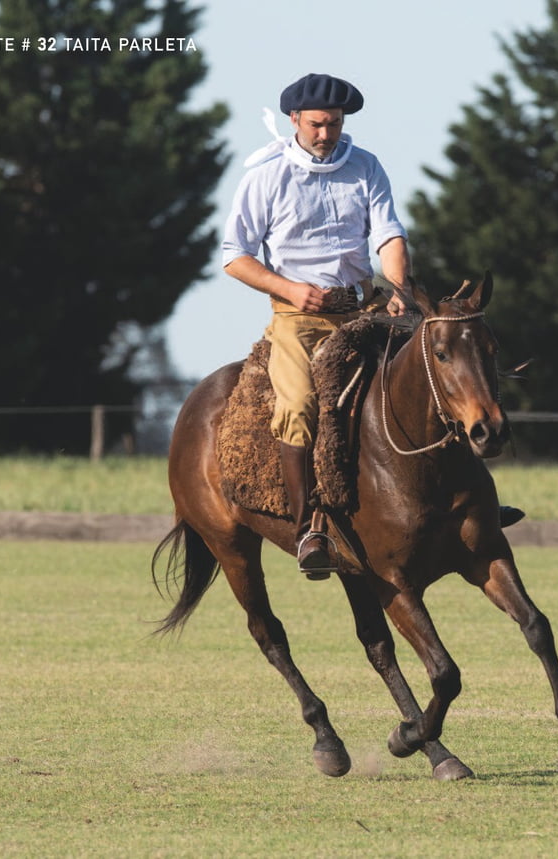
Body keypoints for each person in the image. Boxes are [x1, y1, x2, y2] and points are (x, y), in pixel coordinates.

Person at [222, 73, 522, 580]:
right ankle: (308, 528)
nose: (326, 133)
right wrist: (292, 290)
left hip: (365, 307)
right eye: (317, 124)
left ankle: (476, 505)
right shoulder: (265, 176)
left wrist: (400, 290)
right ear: (295, 120)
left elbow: (388, 237)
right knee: (299, 406)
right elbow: (235, 256)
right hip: (299, 318)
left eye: (334, 124)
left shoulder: (365, 166)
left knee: (432, 379)